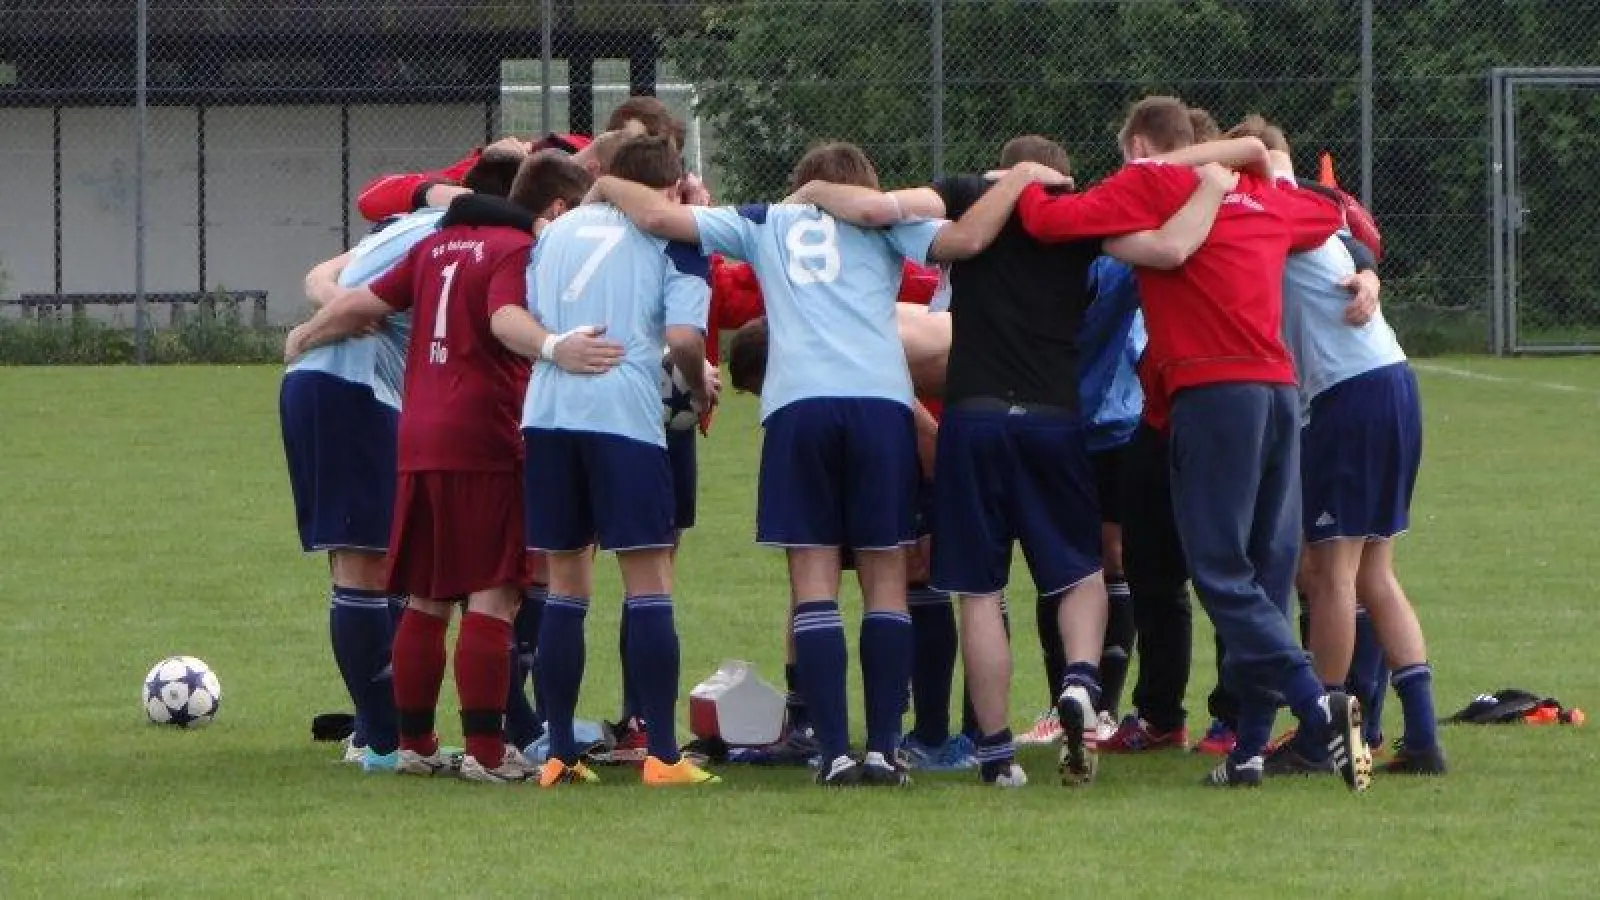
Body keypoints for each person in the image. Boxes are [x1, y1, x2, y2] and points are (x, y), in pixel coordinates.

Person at [591, 140, 1035, 786]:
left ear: (802, 184)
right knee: (887, 577)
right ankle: (883, 749)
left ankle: (831, 752)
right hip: (881, 405)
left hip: (800, 407)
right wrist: (1019, 178)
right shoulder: (883, 221)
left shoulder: (769, 220)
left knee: (814, 578)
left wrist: (607, 185)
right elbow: (967, 241)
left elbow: (660, 220)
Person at [794, 135, 1232, 786]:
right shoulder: (1079, 215)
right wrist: (1215, 188)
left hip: (972, 417)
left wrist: (813, 192)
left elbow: (879, 208)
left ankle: (996, 755)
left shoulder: (967, 191)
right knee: (1080, 575)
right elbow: (1169, 249)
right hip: (1054, 419)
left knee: (979, 591)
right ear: (1060, 175)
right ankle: (1082, 682)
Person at [1013, 96, 1370, 791]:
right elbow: (1330, 211)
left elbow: (1046, 219)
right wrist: (1246, 165)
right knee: (1265, 576)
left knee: (1218, 571)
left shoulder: (1148, 184)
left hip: (1212, 396)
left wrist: (1022, 183)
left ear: (1139, 148)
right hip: (1277, 393)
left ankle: (1316, 703)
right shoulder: (1257, 194)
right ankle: (1251, 754)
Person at [284, 159, 617, 784]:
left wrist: (306, 333)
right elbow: (502, 321)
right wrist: (555, 346)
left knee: (430, 594)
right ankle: (490, 755)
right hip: (485, 430)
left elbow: (362, 299)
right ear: (550, 212)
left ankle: (412, 743)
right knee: (495, 590)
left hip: (416, 432)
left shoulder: (437, 242)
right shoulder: (517, 247)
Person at [283, 146, 522, 771]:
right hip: (350, 389)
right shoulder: (453, 236)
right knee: (367, 566)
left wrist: (323, 315)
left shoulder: (410, 227)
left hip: (356, 395)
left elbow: (319, 277)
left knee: (394, 567)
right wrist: (314, 333)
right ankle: (381, 741)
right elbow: (356, 300)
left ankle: (391, 731)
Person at [1224, 116, 1445, 776]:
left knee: (1331, 576)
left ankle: (1323, 732)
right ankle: (1424, 737)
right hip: (1392, 381)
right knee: (1374, 572)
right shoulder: (1316, 208)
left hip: (1349, 395)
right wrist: (1369, 271)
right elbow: (1352, 236)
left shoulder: (1276, 209)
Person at [522, 135, 722, 788]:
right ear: (665, 193)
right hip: (622, 416)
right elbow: (686, 338)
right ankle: (662, 756)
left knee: (565, 585)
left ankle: (558, 754)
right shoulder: (674, 238)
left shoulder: (556, 232)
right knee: (648, 580)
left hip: (548, 412)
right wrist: (696, 385)